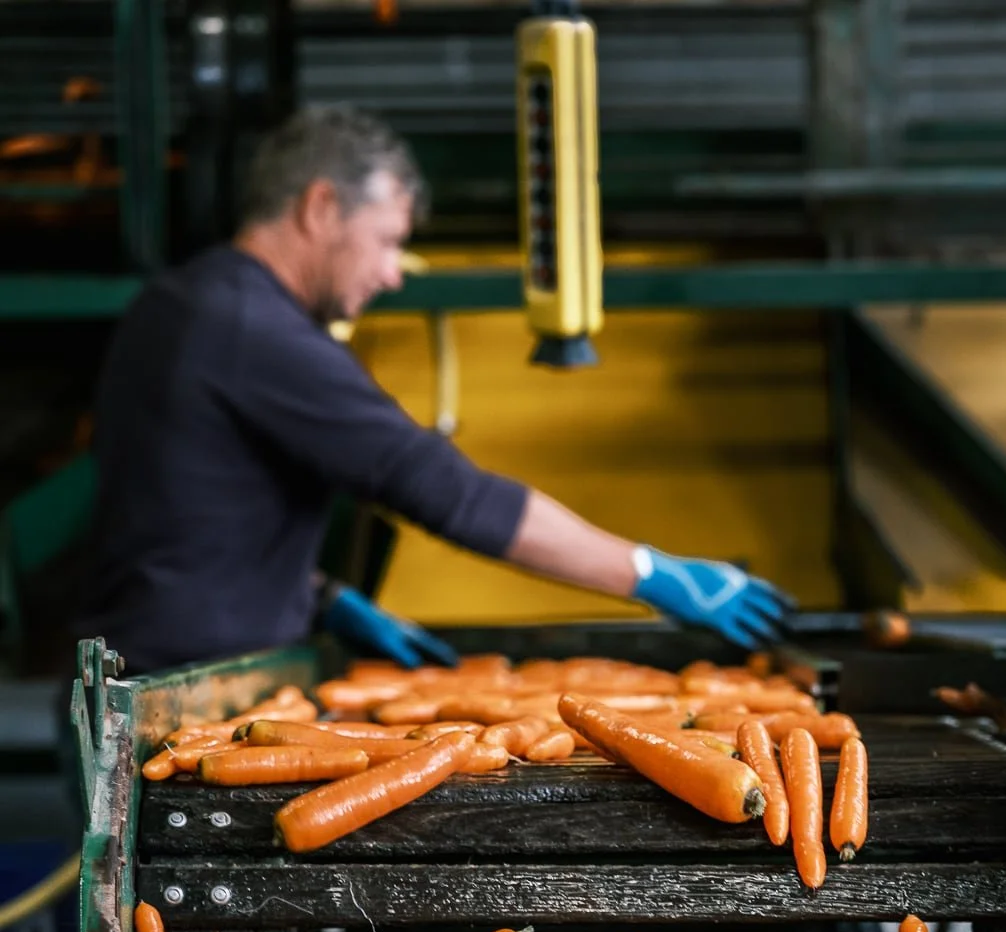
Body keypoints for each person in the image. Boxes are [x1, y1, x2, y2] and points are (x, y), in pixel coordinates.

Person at [74, 106, 793, 675]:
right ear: (320, 206)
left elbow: (187, 507)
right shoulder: (253, 331)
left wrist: (321, 597)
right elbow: (444, 491)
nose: (393, 274)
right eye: (387, 240)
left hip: (147, 674)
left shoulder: (182, 303)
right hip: (174, 701)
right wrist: (649, 573)